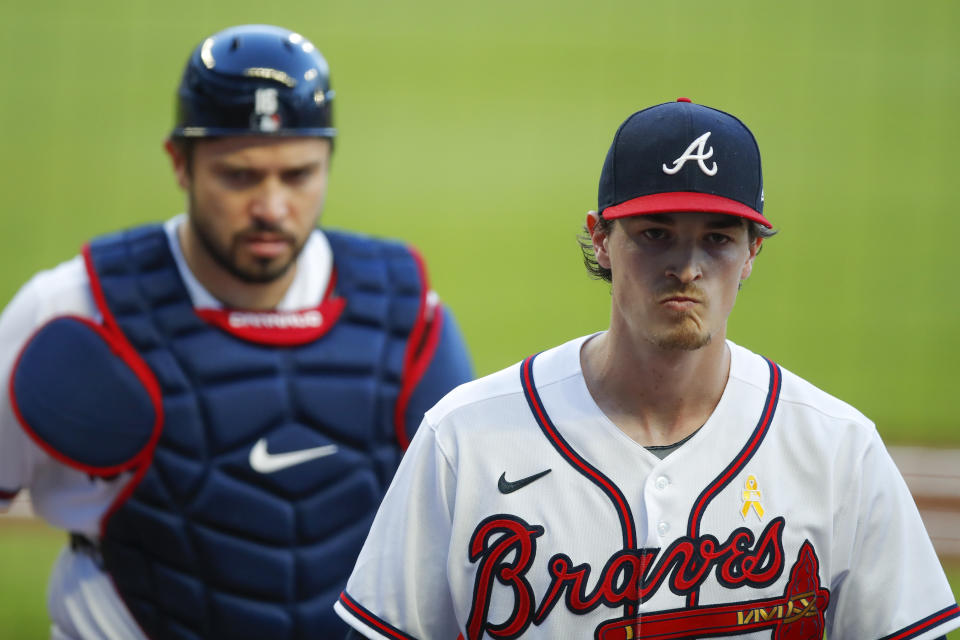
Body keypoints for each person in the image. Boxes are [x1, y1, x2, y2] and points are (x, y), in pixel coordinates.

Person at [334, 99, 960, 639]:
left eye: (718, 238)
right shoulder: (463, 440)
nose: (687, 267)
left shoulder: (837, 449)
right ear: (601, 238)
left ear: (752, 253)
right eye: (656, 234)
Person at [0, 24, 473, 640]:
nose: (272, 207)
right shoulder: (74, 312)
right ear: (180, 162)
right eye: (239, 176)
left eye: (298, 175)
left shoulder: (405, 315)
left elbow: (465, 538)